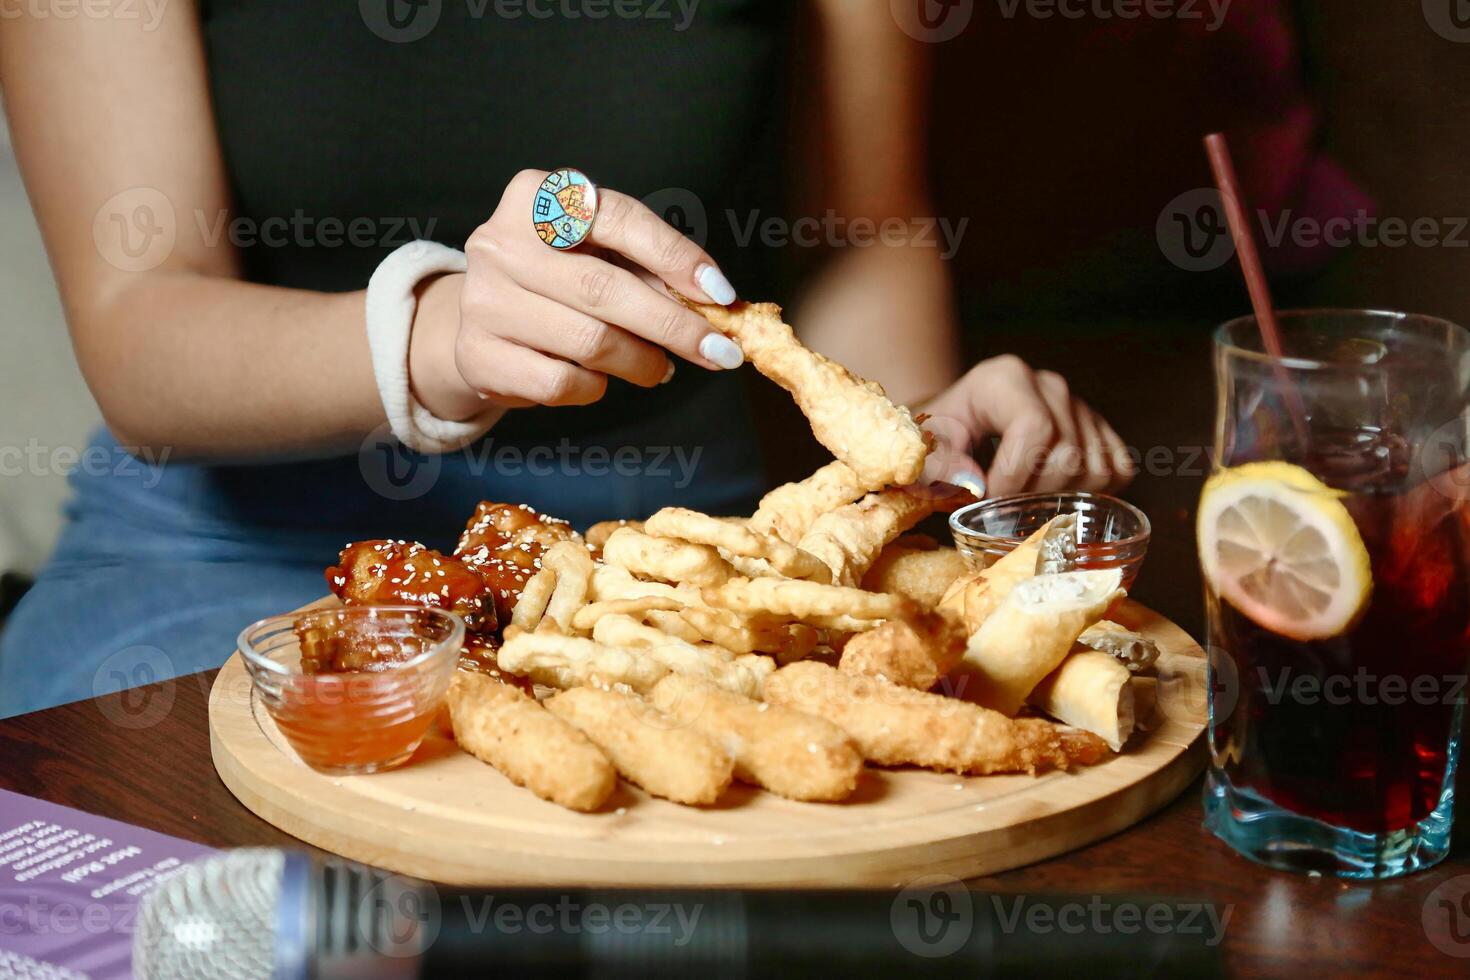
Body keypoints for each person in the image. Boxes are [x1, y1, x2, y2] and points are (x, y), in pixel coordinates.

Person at [0, 1, 1131, 717]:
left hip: (689, 578)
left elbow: (862, 237)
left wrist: (927, 446)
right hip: (228, 560)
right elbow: (137, 318)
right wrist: (435, 337)